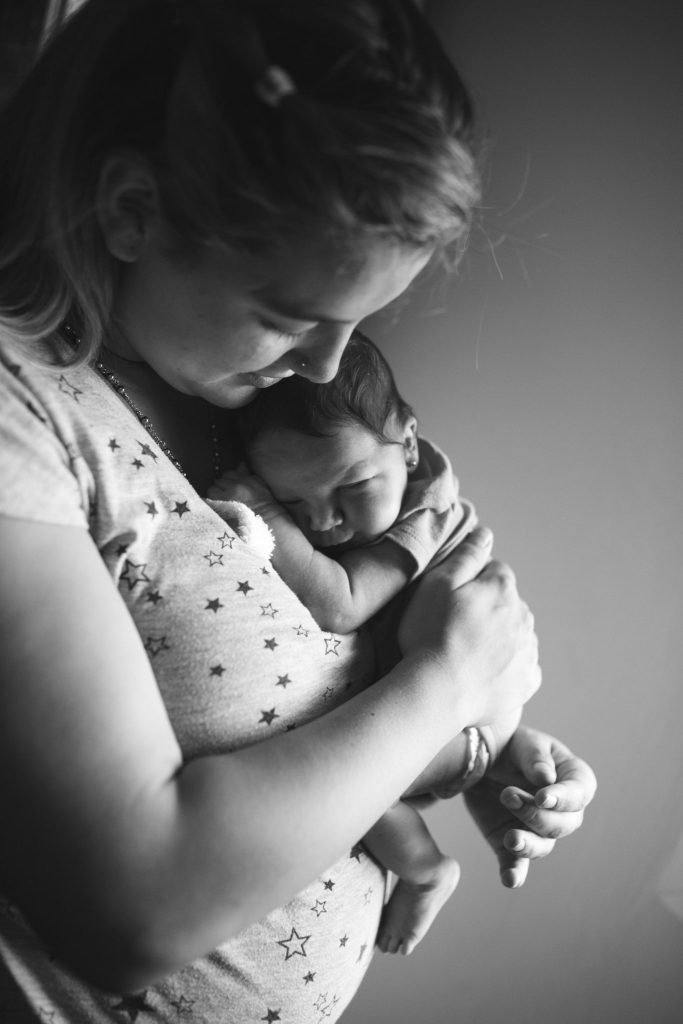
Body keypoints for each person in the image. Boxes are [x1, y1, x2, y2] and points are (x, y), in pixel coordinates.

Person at [0, 2, 596, 1023]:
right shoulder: (23, 420)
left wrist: (482, 749)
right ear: (131, 209)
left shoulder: (248, 416)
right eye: (288, 316)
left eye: (356, 322)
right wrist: (449, 680)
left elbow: (317, 681)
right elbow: (130, 910)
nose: (327, 365)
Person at [208, 330, 491, 957]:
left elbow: (341, 603)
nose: (324, 521)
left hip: (445, 721)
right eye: (293, 500)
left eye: (352, 488)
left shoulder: (426, 515)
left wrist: (272, 519)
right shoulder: (366, 488)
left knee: (351, 778)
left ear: (409, 446)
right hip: (436, 701)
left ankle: (423, 868)